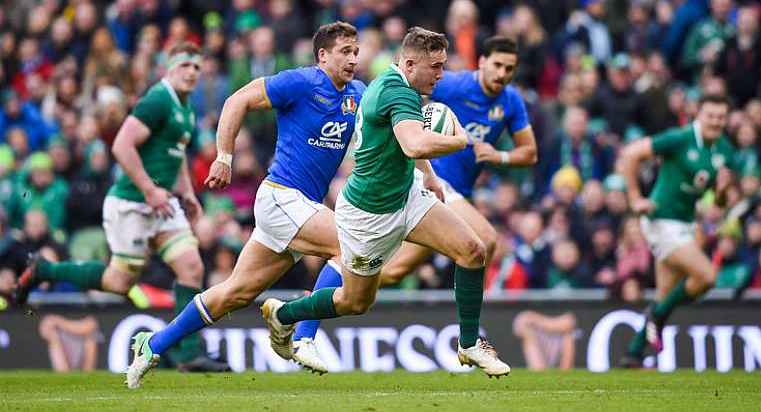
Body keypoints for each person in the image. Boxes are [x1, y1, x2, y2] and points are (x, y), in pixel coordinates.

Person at [123, 21, 366, 388]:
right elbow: (237, 100)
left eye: (356, 52)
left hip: (298, 208)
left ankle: (153, 345)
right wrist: (224, 155)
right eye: (345, 52)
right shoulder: (300, 82)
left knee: (233, 294)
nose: (352, 59)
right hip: (282, 197)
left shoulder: (358, 93)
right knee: (348, 244)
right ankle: (301, 333)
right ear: (322, 55)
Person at [267, 27, 511, 378]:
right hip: (370, 213)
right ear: (410, 64)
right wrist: (459, 141)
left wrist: (427, 174)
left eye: (443, 66)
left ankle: (470, 344)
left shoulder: (402, 86)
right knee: (355, 302)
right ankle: (283, 315)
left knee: (473, 250)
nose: (441, 75)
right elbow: (413, 144)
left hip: (406, 194)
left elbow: (408, 141)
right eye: (436, 67)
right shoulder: (396, 91)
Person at [15, 43, 228, 372]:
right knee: (118, 282)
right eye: (185, 65)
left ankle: (188, 355)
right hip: (131, 202)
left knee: (191, 267)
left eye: (197, 67)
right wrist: (149, 190)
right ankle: (45, 270)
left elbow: (176, 157)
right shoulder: (159, 99)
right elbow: (121, 145)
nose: (191, 72)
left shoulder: (185, 109)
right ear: (168, 70)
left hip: (162, 202)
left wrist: (186, 193)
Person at [618, 94, 736, 367]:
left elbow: (719, 203)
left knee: (665, 295)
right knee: (706, 276)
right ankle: (655, 315)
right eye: (710, 116)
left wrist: (722, 193)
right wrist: (635, 197)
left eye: (721, 117)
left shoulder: (725, 151)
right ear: (698, 115)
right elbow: (630, 153)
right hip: (660, 221)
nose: (715, 122)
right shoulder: (680, 138)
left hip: (685, 224)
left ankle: (633, 354)